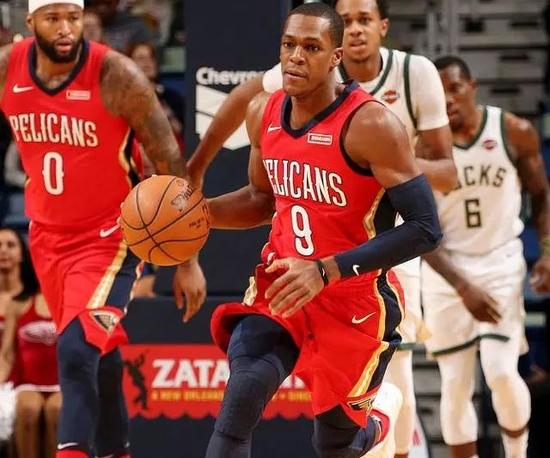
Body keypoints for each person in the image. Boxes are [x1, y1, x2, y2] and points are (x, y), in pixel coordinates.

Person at [188, 1, 455, 456]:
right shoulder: (263, 112)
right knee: (242, 395)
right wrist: (200, 215)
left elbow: (426, 228)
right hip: (283, 285)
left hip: (352, 299)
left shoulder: (371, 124)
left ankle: (383, 411)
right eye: (288, 45)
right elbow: (262, 200)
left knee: (336, 445)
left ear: (335, 57)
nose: (296, 57)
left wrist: (326, 269)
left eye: (311, 48)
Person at [0, 1, 206, 457]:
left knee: (75, 350)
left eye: (73, 17)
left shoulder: (116, 75)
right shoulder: (7, 68)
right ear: (29, 22)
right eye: (53, 18)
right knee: (100, 350)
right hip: (46, 236)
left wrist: (187, 260)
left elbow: (171, 163)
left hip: (110, 238)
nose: (66, 28)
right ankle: (117, 451)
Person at [421, 55, 550, 458]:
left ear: (472, 87)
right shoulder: (421, 148)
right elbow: (419, 232)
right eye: (438, 92)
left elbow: (541, 195)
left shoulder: (513, 131)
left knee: (500, 370)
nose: (447, 98)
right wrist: (462, 287)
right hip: (446, 269)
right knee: (455, 382)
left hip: (499, 262)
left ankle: (517, 452)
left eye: (455, 88)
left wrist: (546, 252)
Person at [0, 272, 60, 458]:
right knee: (28, 409)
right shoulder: (18, 304)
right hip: (28, 382)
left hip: (63, 382)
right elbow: (7, 354)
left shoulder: (72, 303)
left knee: (57, 410)